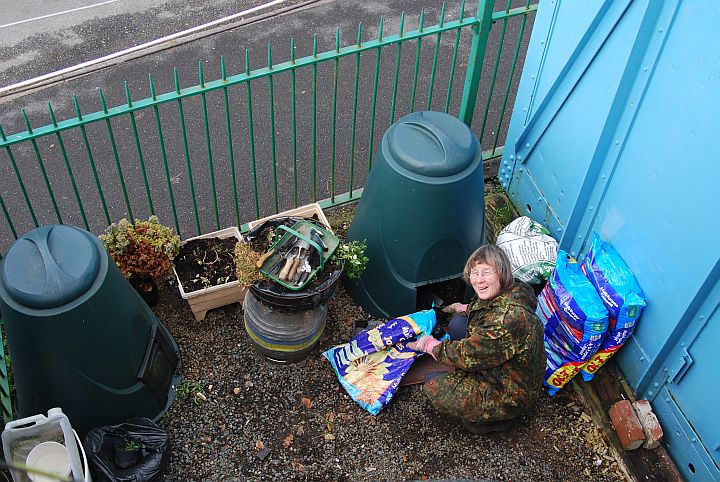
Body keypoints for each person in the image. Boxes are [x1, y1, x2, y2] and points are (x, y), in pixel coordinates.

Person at [407, 244, 545, 434]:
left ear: (501, 273)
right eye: (474, 273)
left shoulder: (506, 320)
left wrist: (429, 345)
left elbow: (466, 355)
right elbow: (488, 308)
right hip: (506, 367)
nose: (479, 280)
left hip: (511, 392)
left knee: (434, 384)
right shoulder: (515, 290)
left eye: (486, 272)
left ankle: (496, 420)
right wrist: (463, 308)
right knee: (457, 324)